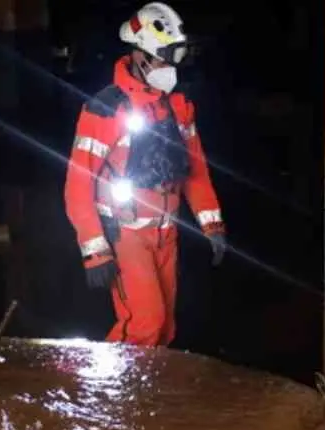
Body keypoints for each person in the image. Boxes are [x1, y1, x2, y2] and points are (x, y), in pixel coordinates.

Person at [64, 2, 227, 346]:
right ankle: (109, 397)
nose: (171, 68)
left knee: (165, 328)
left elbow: (194, 168)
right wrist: (95, 250)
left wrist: (212, 224)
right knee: (144, 324)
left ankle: (148, 397)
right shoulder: (105, 110)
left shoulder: (178, 107)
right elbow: (78, 185)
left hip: (166, 232)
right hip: (125, 235)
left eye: (176, 58)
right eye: (165, 58)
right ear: (141, 56)